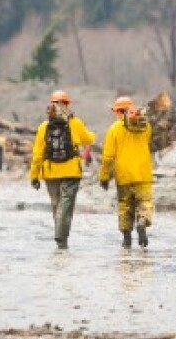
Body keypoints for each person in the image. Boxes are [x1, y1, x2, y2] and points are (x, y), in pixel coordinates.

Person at [29, 90, 96, 249]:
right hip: (71, 171)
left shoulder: (44, 127)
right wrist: (92, 134)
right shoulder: (76, 123)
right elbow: (88, 139)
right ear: (67, 104)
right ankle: (62, 237)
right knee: (66, 205)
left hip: (50, 172)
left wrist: (34, 176)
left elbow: (38, 154)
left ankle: (60, 239)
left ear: (51, 104)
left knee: (56, 203)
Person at [99, 96, 154, 248]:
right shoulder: (145, 126)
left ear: (117, 111)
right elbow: (147, 140)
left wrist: (104, 177)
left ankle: (127, 238)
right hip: (143, 173)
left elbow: (108, 157)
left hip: (123, 175)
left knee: (125, 205)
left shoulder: (114, 129)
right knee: (145, 202)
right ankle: (142, 222)